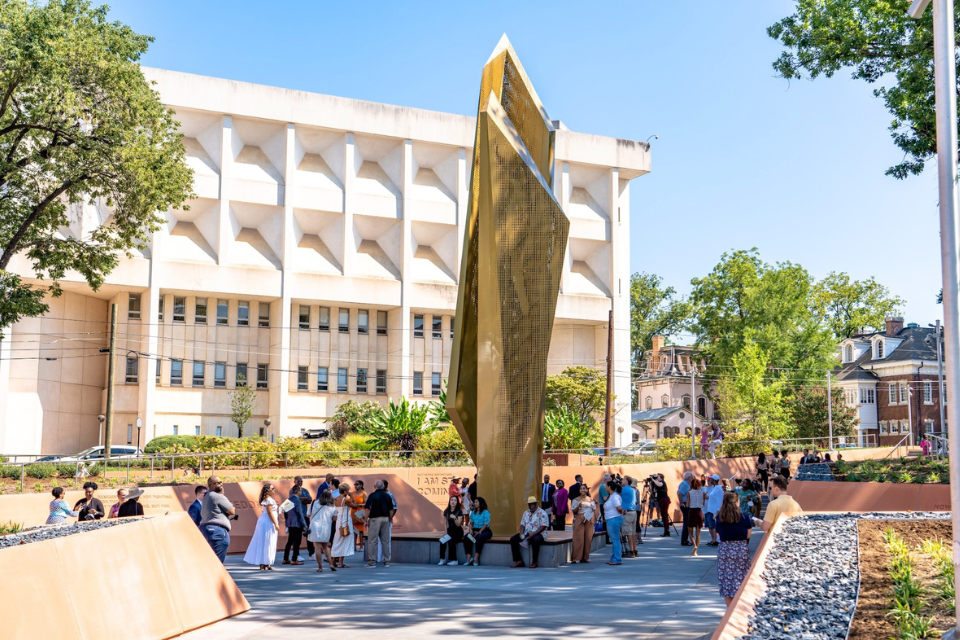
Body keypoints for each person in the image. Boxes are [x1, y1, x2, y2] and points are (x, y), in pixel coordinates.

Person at [716, 491, 753, 606]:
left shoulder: (719, 518)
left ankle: (729, 610)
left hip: (725, 551)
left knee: (726, 582)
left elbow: (718, 535)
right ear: (737, 502)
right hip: (741, 549)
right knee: (741, 580)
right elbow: (748, 535)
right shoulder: (745, 517)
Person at [200, 475, 236, 564]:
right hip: (217, 531)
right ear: (211, 485)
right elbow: (232, 511)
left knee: (209, 560)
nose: (221, 484)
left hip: (206, 529)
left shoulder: (207, 496)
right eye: (218, 483)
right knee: (217, 562)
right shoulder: (218, 496)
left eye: (221, 482)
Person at [244, 482, 280, 570]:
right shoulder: (269, 500)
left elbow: (272, 511)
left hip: (265, 521)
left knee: (265, 540)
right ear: (268, 491)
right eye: (273, 488)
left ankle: (265, 562)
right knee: (268, 541)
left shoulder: (268, 500)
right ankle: (265, 562)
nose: (274, 490)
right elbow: (269, 512)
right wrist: (276, 523)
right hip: (268, 522)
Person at [510, 496, 549, 568]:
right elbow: (522, 524)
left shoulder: (542, 513)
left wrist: (533, 534)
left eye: (533, 504)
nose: (531, 506)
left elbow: (543, 526)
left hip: (539, 533)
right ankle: (518, 560)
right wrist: (521, 533)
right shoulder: (526, 513)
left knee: (535, 540)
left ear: (536, 504)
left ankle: (534, 562)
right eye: (530, 504)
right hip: (527, 532)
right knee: (513, 539)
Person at [364, 479, 395, 568]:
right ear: (383, 487)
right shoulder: (387, 496)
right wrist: (389, 519)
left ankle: (372, 561)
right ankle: (386, 561)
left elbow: (367, 509)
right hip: (385, 519)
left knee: (373, 541)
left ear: (375, 487)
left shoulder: (372, 496)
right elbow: (391, 510)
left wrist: (365, 520)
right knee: (385, 541)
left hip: (374, 519)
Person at [307, 489, 337, 572]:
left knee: (317, 547)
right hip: (326, 527)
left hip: (315, 527)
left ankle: (320, 567)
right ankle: (331, 564)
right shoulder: (332, 505)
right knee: (326, 546)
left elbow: (308, 515)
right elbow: (334, 518)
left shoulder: (313, 503)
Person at [331, 481, 357, 568]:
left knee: (337, 540)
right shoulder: (346, 499)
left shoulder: (336, 499)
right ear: (345, 491)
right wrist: (352, 497)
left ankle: (333, 561)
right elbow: (355, 506)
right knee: (345, 540)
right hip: (345, 521)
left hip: (339, 520)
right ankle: (341, 562)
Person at [570, 484, 597, 563]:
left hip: (588, 518)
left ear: (587, 490)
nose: (583, 490)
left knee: (588, 538)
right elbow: (574, 511)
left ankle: (584, 558)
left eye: (584, 488)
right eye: (581, 489)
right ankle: (575, 557)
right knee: (578, 538)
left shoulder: (591, 499)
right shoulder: (576, 500)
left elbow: (594, 509)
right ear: (579, 490)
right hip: (580, 518)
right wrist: (578, 507)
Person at [282, 482, 306, 566]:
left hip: (290, 523)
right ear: (298, 491)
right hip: (297, 524)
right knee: (297, 542)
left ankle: (285, 558)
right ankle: (294, 559)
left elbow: (284, 512)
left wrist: (287, 520)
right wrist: (304, 525)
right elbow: (300, 514)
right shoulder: (297, 500)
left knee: (290, 541)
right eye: (300, 490)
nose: (301, 491)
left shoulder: (288, 500)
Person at [291, 476, 315, 559]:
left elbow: (310, 499)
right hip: (297, 517)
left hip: (305, 515)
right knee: (297, 536)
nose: (300, 482)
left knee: (309, 533)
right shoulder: (293, 490)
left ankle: (311, 553)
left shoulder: (305, 490)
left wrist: (302, 499)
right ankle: (296, 555)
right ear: (294, 481)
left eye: (301, 481)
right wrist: (303, 499)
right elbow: (293, 499)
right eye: (298, 481)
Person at [464, 497, 492, 566]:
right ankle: (469, 556)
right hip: (475, 529)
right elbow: (471, 523)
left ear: (481, 503)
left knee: (479, 537)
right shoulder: (473, 512)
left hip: (485, 530)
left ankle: (476, 558)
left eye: (476, 502)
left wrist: (479, 532)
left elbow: (485, 524)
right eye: (474, 502)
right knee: (466, 537)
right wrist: (470, 530)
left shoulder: (486, 512)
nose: (475, 503)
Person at [603, 479, 625, 565]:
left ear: (609, 487)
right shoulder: (612, 496)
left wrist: (622, 512)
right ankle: (614, 557)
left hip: (614, 519)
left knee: (615, 539)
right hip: (611, 519)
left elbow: (619, 508)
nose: (605, 487)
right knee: (614, 539)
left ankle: (617, 559)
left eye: (606, 486)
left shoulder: (614, 497)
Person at [438, 495, 464, 566]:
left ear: (457, 502)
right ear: (449, 501)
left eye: (455, 500)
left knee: (451, 541)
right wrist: (445, 533)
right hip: (450, 531)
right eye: (452, 500)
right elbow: (445, 523)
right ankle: (442, 559)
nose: (453, 502)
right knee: (442, 541)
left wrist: (455, 518)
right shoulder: (446, 511)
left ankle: (454, 560)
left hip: (458, 531)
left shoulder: (459, 511)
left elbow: (458, 524)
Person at [684, 477, 705, 556]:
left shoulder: (689, 492)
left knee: (690, 532)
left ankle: (694, 546)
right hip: (699, 512)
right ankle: (696, 549)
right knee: (698, 533)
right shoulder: (702, 492)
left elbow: (687, 504)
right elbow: (703, 504)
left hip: (692, 512)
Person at [620, 477, 638, 557]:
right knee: (633, 533)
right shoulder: (632, 489)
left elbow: (614, 491)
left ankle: (631, 551)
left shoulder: (624, 490)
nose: (621, 481)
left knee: (628, 533)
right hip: (633, 512)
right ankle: (635, 549)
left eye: (623, 479)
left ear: (627, 481)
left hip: (627, 513)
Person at [704, 475, 723, 546]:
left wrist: (718, 510)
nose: (709, 480)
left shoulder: (719, 489)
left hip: (715, 511)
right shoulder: (715, 488)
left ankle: (717, 540)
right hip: (711, 510)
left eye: (711, 479)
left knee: (714, 526)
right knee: (711, 526)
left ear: (714, 480)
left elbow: (719, 500)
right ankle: (714, 540)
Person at [351, 479, 367, 553]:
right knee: (354, 530)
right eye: (355, 484)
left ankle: (361, 546)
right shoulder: (353, 493)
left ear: (361, 485)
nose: (355, 486)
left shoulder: (363, 493)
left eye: (357, 484)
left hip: (360, 512)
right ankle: (354, 546)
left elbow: (366, 503)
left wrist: (360, 505)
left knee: (360, 530)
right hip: (354, 511)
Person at [677, 472, 693, 546]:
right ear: (688, 477)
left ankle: (685, 539)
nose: (693, 478)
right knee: (687, 522)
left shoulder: (686, 484)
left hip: (686, 503)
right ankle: (684, 540)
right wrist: (681, 503)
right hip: (685, 504)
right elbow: (679, 493)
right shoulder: (685, 484)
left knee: (687, 522)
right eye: (692, 477)